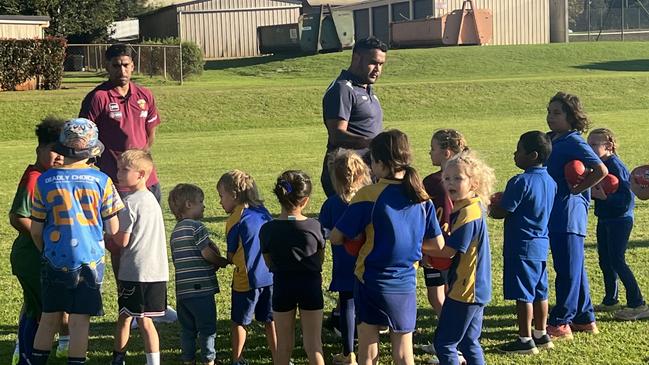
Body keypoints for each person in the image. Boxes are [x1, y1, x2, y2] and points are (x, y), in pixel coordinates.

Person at [330, 130, 444, 365]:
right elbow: (437, 244)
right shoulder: (421, 197)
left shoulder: (368, 195)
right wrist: (407, 242)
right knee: (404, 354)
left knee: (369, 352)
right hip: (404, 283)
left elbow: (336, 237)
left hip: (370, 280)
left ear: (379, 163)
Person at [29, 118, 124, 365]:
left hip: (53, 258)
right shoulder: (101, 181)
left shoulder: (44, 180)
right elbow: (113, 227)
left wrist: (44, 251)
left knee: (49, 317)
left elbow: (37, 229)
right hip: (89, 261)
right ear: (92, 149)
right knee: (80, 321)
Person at [544, 92, 607, 340]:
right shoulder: (553, 139)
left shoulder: (573, 141)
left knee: (567, 269)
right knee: (575, 268)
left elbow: (600, 169)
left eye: (557, 113)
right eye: (549, 112)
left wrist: (579, 188)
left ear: (572, 116)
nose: (550, 117)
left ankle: (561, 321)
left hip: (568, 215)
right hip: (555, 213)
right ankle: (585, 318)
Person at [425, 150, 495, 365]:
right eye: (446, 178)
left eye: (458, 178)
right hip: (475, 289)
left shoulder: (468, 214)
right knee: (468, 342)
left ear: (474, 183)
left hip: (466, 290)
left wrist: (419, 249)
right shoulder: (469, 206)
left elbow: (448, 252)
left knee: (445, 343)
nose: (450, 183)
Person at [491, 131, 557, 355]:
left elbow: (502, 211)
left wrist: (490, 204)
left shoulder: (520, 181)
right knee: (540, 291)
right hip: (540, 243)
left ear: (533, 155)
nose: (515, 154)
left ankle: (524, 339)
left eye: (519, 150)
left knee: (523, 294)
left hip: (521, 245)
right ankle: (541, 333)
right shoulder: (550, 181)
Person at [9, 117, 65, 364]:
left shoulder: (49, 176)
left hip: (38, 255)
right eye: (53, 149)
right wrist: (45, 239)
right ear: (39, 150)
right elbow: (17, 217)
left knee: (37, 308)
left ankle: (26, 355)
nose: (59, 155)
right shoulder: (35, 177)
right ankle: (27, 357)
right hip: (32, 256)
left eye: (63, 150)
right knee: (42, 311)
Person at [79, 43, 162, 202]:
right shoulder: (98, 97)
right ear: (107, 67)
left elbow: (150, 134)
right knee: (120, 227)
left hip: (147, 180)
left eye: (125, 65)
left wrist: (138, 159)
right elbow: (85, 138)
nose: (122, 71)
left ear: (133, 66)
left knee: (150, 225)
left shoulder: (145, 95)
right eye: (116, 65)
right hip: (115, 182)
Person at [260, 170, 326, 365]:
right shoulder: (315, 226)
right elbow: (320, 259)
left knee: (284, 345)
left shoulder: (268, 229)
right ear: (305, 200)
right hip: (310, 286)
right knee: (314, 344)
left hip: (282, 286)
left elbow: (268, 261)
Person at [110, 149, 169, 365]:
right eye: (117, 169)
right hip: (157, 272)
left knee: (125, 318)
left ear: (142, 174)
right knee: (146, 320)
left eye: (124, 170)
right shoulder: (152, 200)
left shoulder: (129, 203)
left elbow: (122, 241)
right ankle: (153, 361)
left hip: (135, 272)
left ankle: (118, 358)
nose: (118, 174)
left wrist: (107, 233)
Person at [586, 128, 649, 320]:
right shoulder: (598, 165)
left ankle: (637, 303)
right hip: (604, 218)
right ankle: (610, 299)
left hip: (620, 220)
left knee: (617, 260)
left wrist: (604, 198)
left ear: (609, 147)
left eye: (595, 144)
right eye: (588, 144)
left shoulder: (616, 166)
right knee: (605, 260)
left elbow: (626, 199)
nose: (590, 147)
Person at [217, 170, 277, 365]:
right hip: (270, 277)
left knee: (239, 321)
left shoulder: (236, 219)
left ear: (234, 195)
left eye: (221, 196)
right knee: (271, 320)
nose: (220, 202)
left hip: (246, 280)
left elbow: (231, 254)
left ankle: (238, 358)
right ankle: (279, 358)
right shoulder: (264, 211)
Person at [319, 149, 371, 365]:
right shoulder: (369, 200)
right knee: (366, 305)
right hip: (368, 262)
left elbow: (323, 232)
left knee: (347, 303)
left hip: (343, 262)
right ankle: (368, 348)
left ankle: (348, 352)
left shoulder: (331, 203)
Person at [169, 183, 230, 365]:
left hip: (183, 291)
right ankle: (209, 360)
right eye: (200, 202)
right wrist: (221, 261)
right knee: (207, 327)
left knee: (187, 329)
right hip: (201, 289)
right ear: (189, 204)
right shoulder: (196, 227)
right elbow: (206, 253)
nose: (204, 206)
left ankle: (188, 360)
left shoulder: (175, 232)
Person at [321, 36, 387, 197]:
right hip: (347, 174)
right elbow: (337, 135)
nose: (377, 69)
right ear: (356, 58)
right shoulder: (342, 89)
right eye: (373, 62)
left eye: (381, 64)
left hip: (368, 171)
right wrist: (373, 143)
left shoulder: (366, 89)